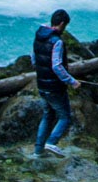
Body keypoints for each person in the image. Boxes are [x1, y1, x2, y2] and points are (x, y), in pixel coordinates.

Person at [32, 8, 81, 158]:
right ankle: (51, 143)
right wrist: (72, 81)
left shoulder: (39, 36)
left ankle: (38, 151)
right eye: (65, 26)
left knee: (47, 115)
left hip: (42, 85)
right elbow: (57, 66)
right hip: (54, 87)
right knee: (65, 117)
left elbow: (34, 59)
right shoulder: (57, 41)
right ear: (61, 24)